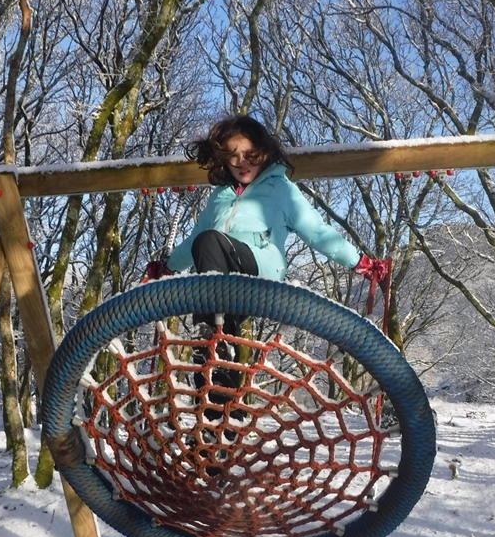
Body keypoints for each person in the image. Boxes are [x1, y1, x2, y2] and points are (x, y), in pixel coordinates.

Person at [146, 115, 388, 427]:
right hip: (220, 285)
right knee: (214, 347)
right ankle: (219, 417)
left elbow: (317, 231)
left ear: (264, 152)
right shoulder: (219, 196)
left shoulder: (281, 189)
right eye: (232, 155)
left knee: (210, 243)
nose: (241, 162)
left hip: (258, 270)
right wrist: (167, 266)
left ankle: (216, 339)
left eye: (250, 154)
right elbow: (194, 241)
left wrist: (359, 262)